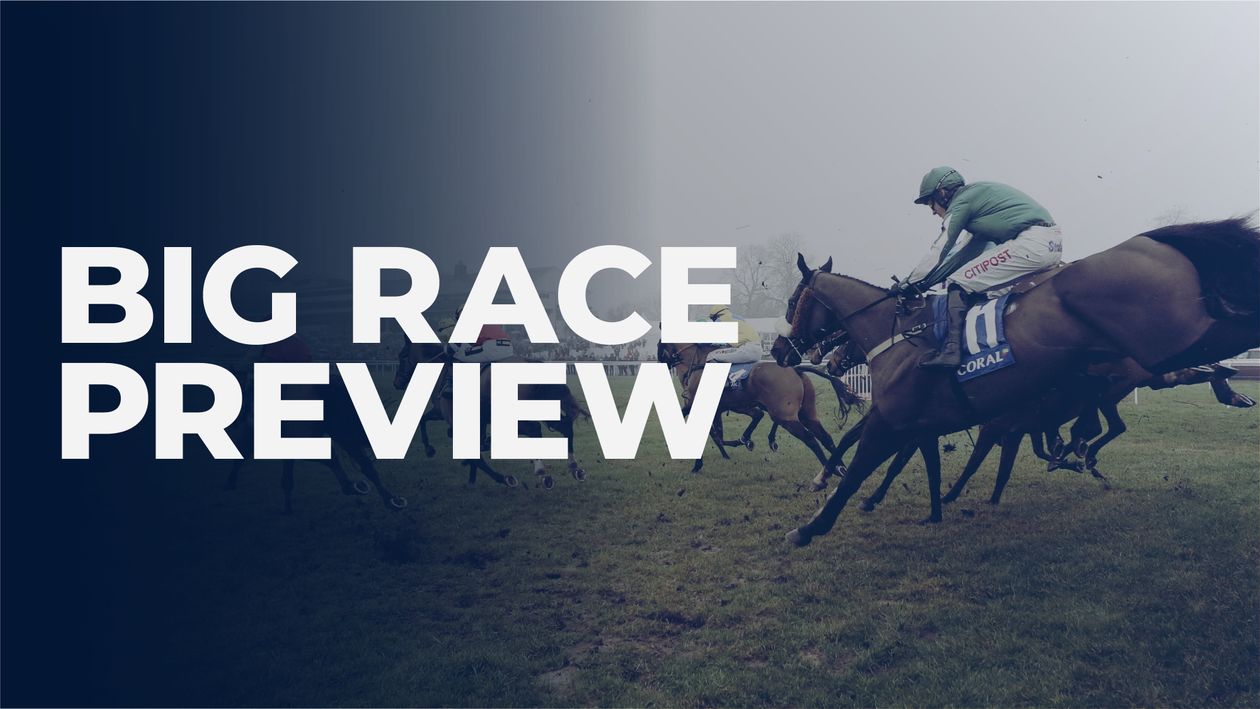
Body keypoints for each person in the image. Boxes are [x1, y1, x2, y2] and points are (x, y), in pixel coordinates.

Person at [898, 166, 1064, 368]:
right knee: (983, 288)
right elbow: (961, 257)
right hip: (1051, 243)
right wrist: (923, 284)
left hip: (1032, 243)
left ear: (942, 193)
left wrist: (908, 283)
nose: (933, 211)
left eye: (930, 203)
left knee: (958, 283)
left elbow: (942, 247)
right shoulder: (980, 208)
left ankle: (952, 352)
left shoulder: (962, 202)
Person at [436, 315, 515, 363]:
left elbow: (457, 347)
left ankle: (449, 382)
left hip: (492, 349)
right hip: (509, 348)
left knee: (459, 355)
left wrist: (446, 349)